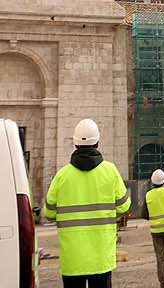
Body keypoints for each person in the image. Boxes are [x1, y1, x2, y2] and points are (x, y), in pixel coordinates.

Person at [44, 119, 131, 288]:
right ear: (97, 143)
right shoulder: (110, 171)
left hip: (72, 258)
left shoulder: (62, 176)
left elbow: (48, 212)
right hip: (101, 256)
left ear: (75, 144)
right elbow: (124, 206)